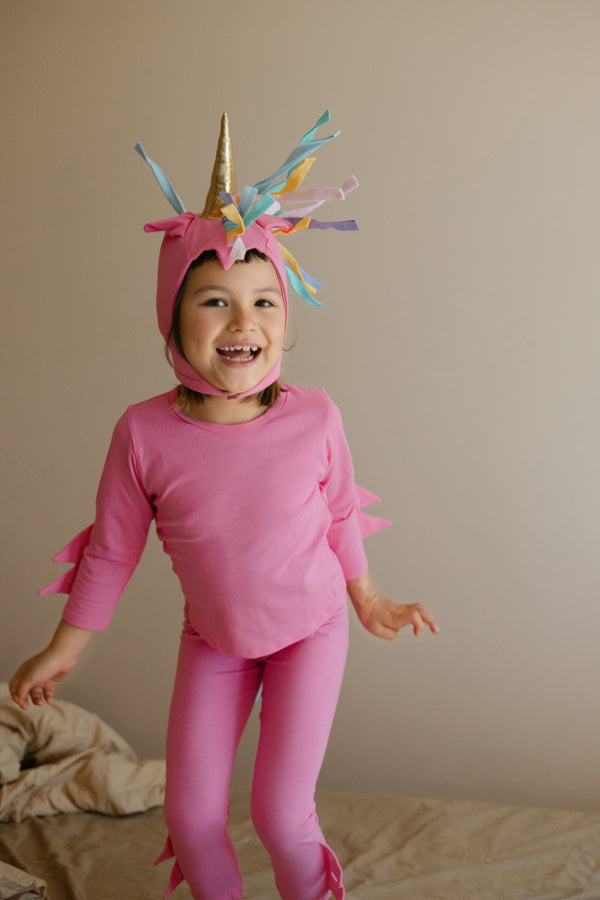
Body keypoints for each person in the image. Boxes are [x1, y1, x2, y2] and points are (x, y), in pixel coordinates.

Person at [9, 111, 439, 900]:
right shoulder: (143, 433)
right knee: (192, 818)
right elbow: (111, 549)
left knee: (280, 816)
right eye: (214, 302)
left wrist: (367, 595)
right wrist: (64, 649)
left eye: (264, 302)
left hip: (312, 632)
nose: (244, 322)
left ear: (286, 318)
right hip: (214, 642)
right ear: (171, 318)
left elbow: (341, 512)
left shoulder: (317, 416)